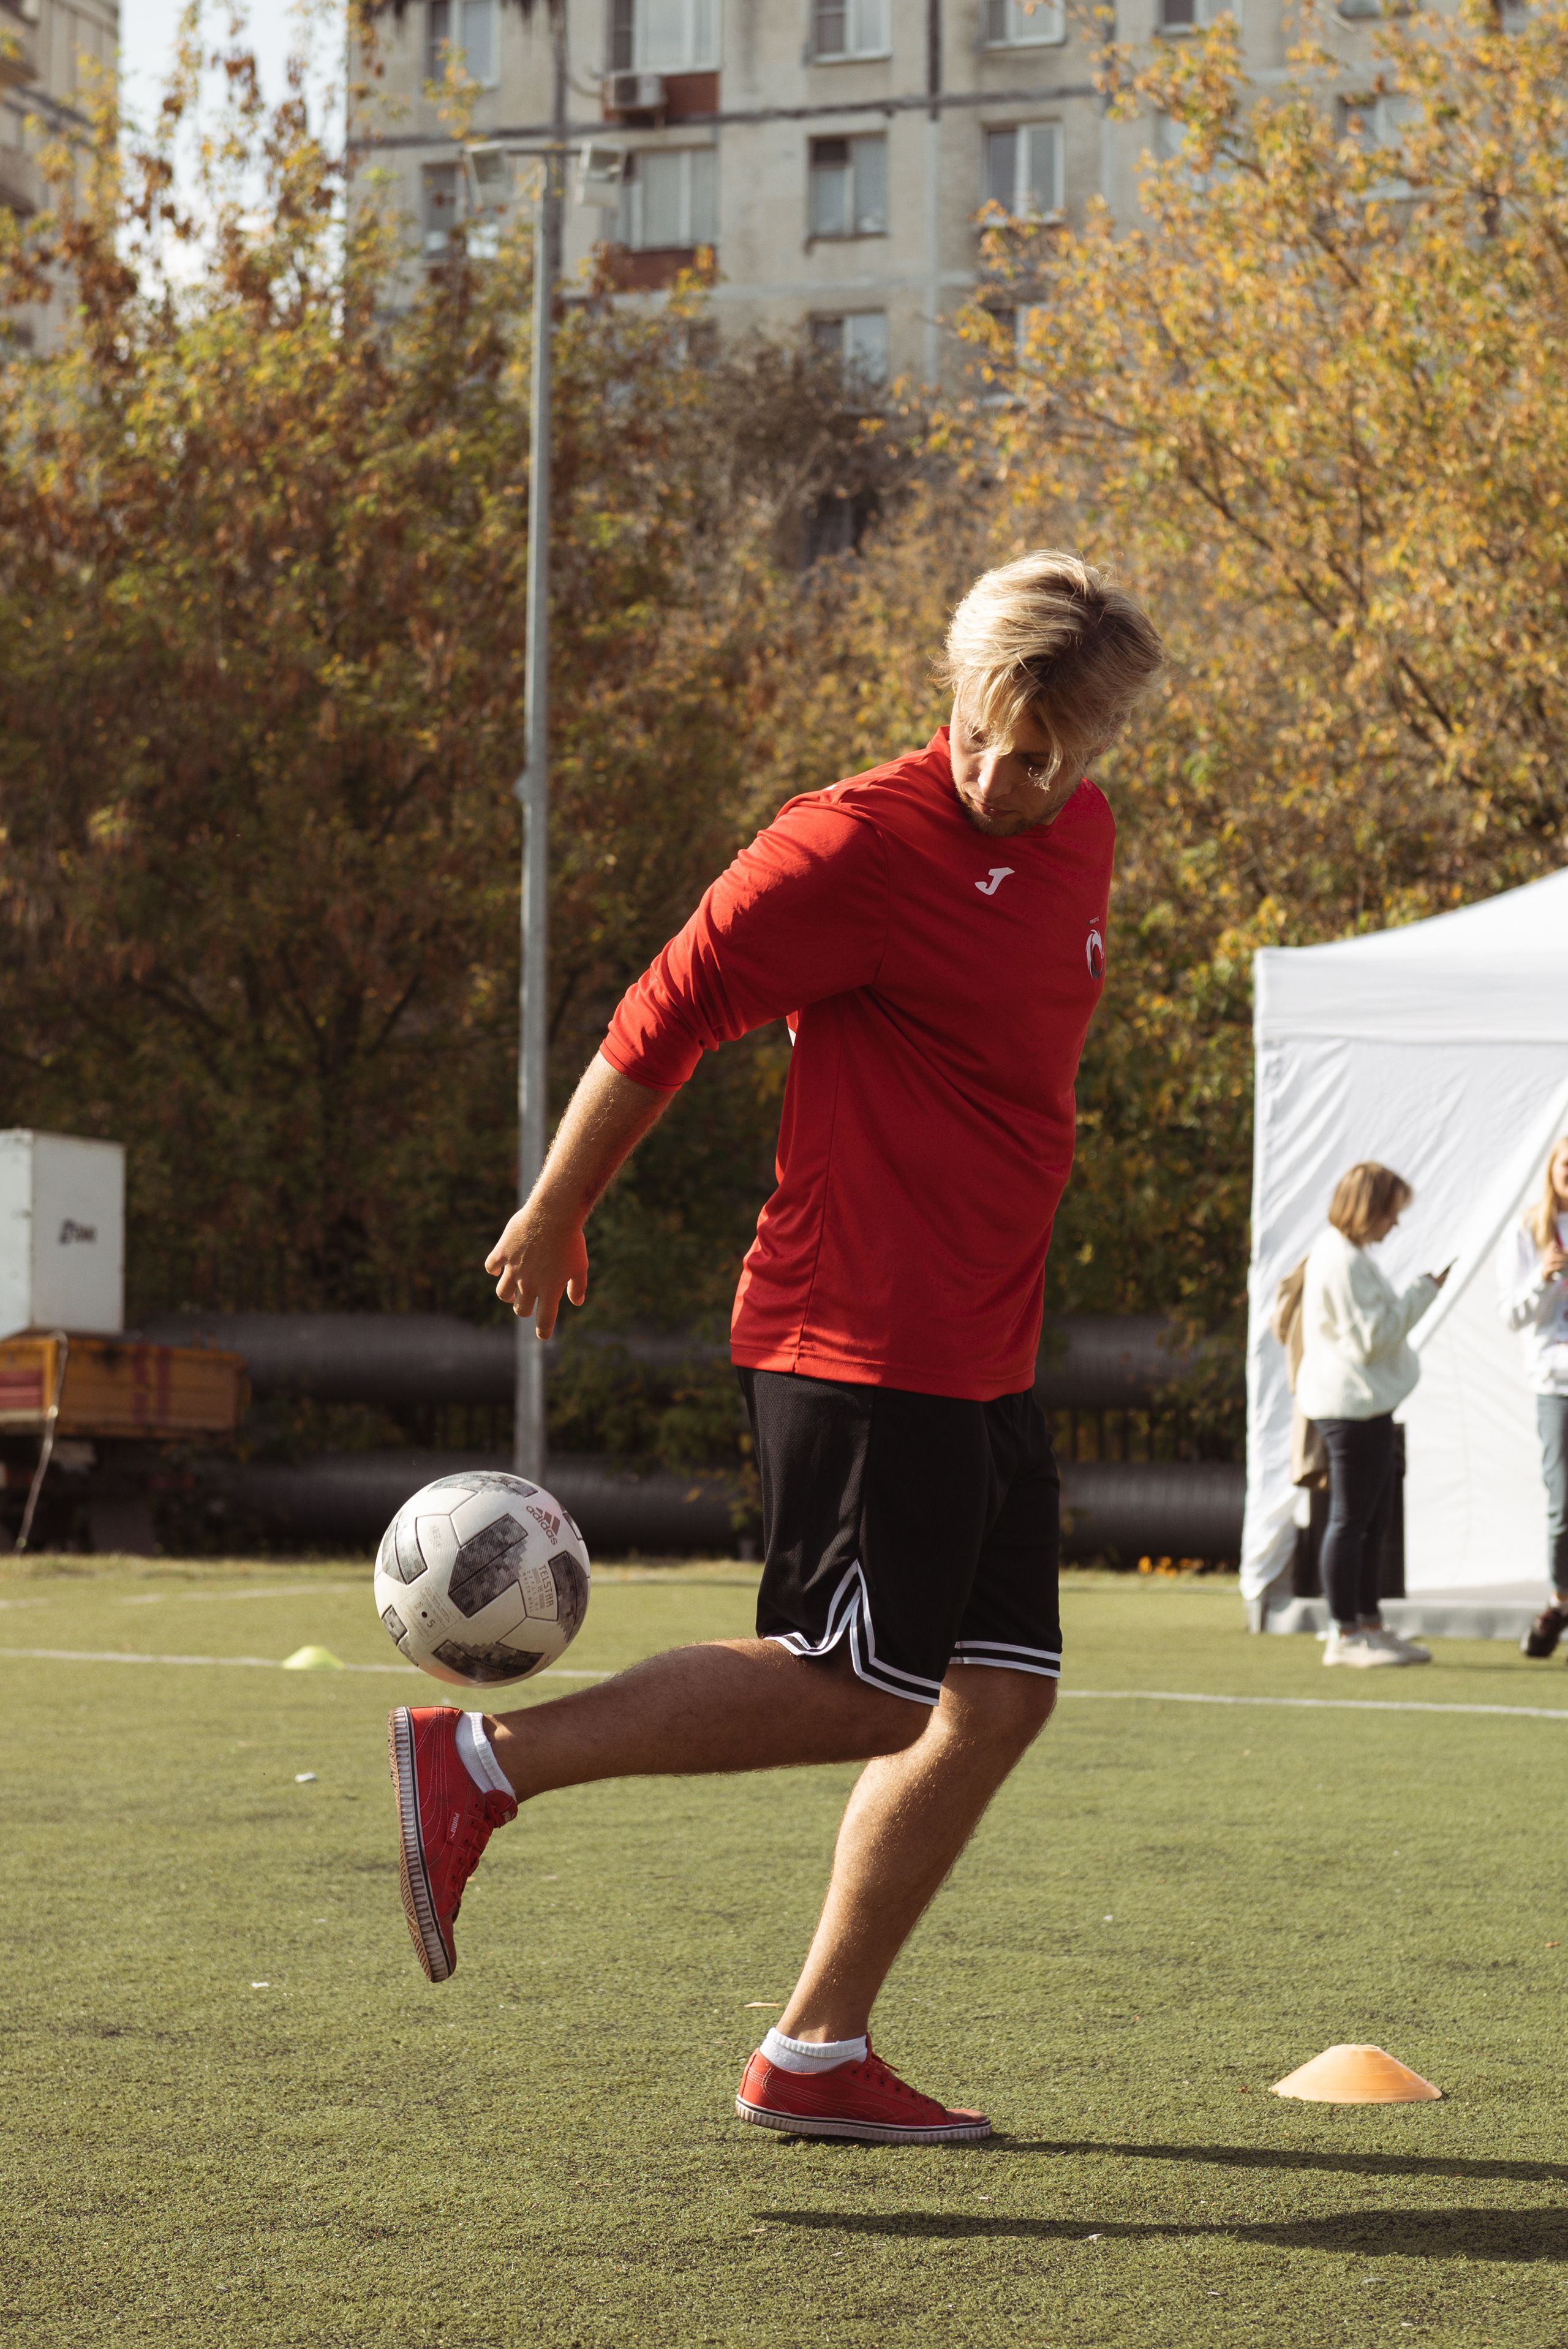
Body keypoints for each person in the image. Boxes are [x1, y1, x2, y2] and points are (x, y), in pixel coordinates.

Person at [385, 550, 1164, 2146]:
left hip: (984, 1347)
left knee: (998, 1696)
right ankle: (480, 1758)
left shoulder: (1077, 832)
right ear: (951, 692)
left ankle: (814, 2049)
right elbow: (659, 1014)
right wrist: (554, 1210)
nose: (1008, 776)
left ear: (1097, 747)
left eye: (1048, 754)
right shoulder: (849, 848)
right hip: (863, 1334)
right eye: (986, 736)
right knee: (868, 1686)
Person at [1295, 1163, 1448, 1668]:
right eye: (1391, 1212)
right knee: (1352, 1519)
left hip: (1363, 1406)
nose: (1395, 1224)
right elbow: (1370, 1340)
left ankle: (1368, 1624)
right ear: (1370, 1209)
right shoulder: (1342, 1259)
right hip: (1353, 1408)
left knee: (1370, 1519)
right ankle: (1345, 1633)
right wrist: (1424, 1291)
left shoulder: (1345, 1255)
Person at [1500, 1136, 1568, 1659]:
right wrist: (1545, 1281)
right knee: (1563, 1501)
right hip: (1556, 1384)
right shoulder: (1529, 1230)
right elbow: (1512, 1316)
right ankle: (1559, 1602)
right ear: (1552, 1169)